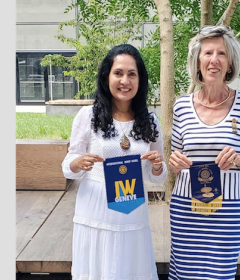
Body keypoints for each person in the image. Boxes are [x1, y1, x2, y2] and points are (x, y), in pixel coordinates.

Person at [61, 44, 168, 280]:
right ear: (106, 76)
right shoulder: (88, 116)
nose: (125, 81)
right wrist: (78, 162)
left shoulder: (149, 120)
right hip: (96, 209)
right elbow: (68, 165)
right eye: (118, 73)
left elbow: (157, 175)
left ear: (140, 80)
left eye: (132, 74)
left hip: (132, 210)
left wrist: (158, 166)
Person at [168, 25, 240, 280]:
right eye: (208, 53)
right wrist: (174, 161)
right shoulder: (181, 106)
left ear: (230, 62)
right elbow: (175, 158)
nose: (214, 60)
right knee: (184, 273)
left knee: (220, 273)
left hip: (227, 208)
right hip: (186, 207)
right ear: (197, 61)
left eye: (221, 53)